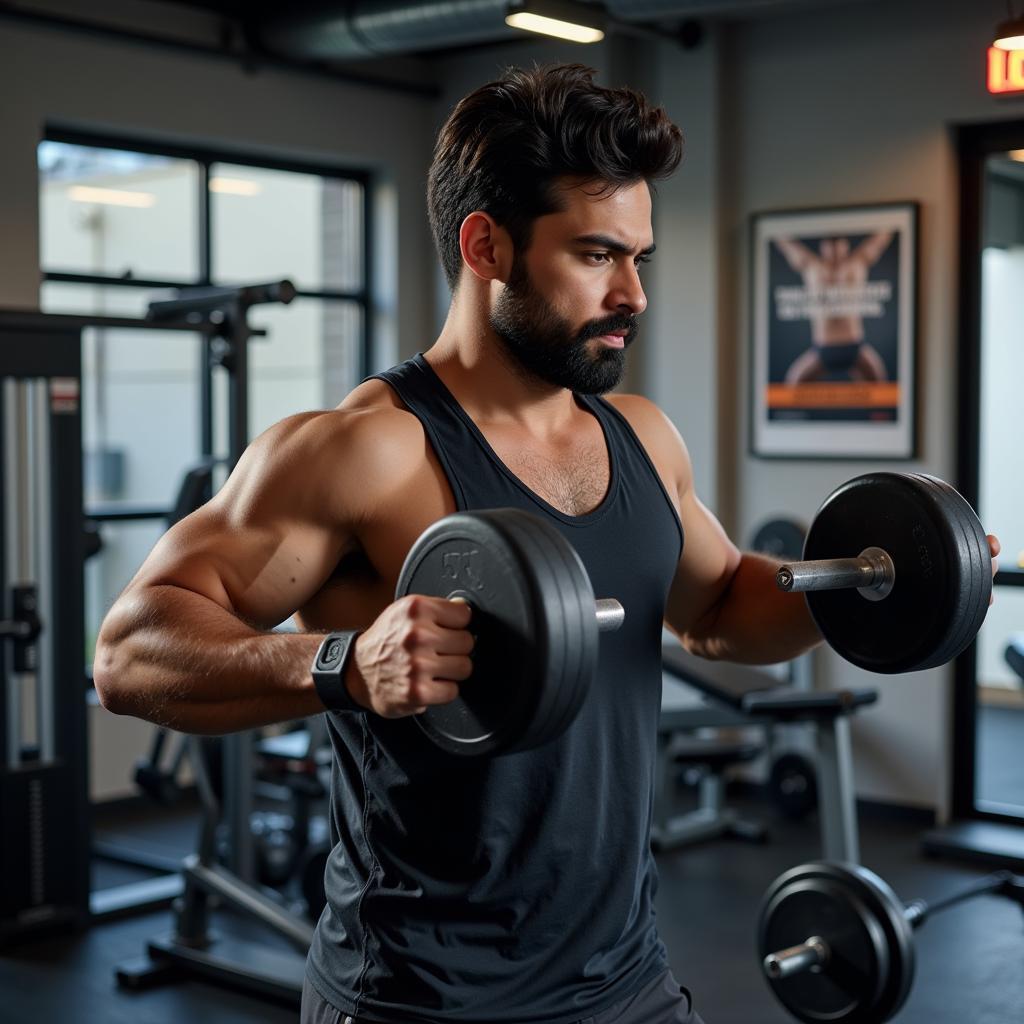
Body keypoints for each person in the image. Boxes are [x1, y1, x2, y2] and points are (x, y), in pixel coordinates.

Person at [91, 65, 998, 1024]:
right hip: (418, 999)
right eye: (599, 255)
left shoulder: (641, 437)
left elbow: (723, 606)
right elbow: (127, 653)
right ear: (487, 245)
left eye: (639, 257)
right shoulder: (363, 453)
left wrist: (876, 580)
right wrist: (348, 662)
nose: (634, 294)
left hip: (627, 981)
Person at [773, 232, 893, 384]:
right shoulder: (812, 267)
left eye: (838, 243)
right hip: (823, 348)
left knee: (880, 389)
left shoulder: (857, 264)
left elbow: (881, 238)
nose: (834, 250)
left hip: (855, 347)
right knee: (792, 385)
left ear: (845, 245)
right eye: (830, 244)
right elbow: (785, 243)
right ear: (823, 247)